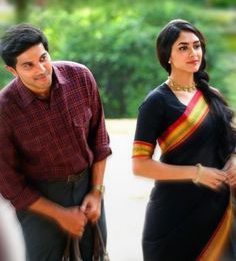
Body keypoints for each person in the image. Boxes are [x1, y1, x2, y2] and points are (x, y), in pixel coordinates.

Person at [0, 23, 112, 261]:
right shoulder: (4, 110)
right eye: (28, 65)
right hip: (40, 200)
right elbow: (10, 185)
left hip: (87, 189)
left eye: (43, 58)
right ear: (12, 70)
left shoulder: (81, 78)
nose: (41, 69)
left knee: (96, 256)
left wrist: (96, 192)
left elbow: (100, 142)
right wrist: (61, 215)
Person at [132, 19, 236, 261]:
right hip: (174, 218)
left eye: (196, 46)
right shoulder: (156, 102)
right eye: (183, 47)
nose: (193, 53)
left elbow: (231, 143)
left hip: (217, 216)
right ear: (167, 55)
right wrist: (197, 173)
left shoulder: (212, 96)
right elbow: (139, 165)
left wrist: (233, 161)